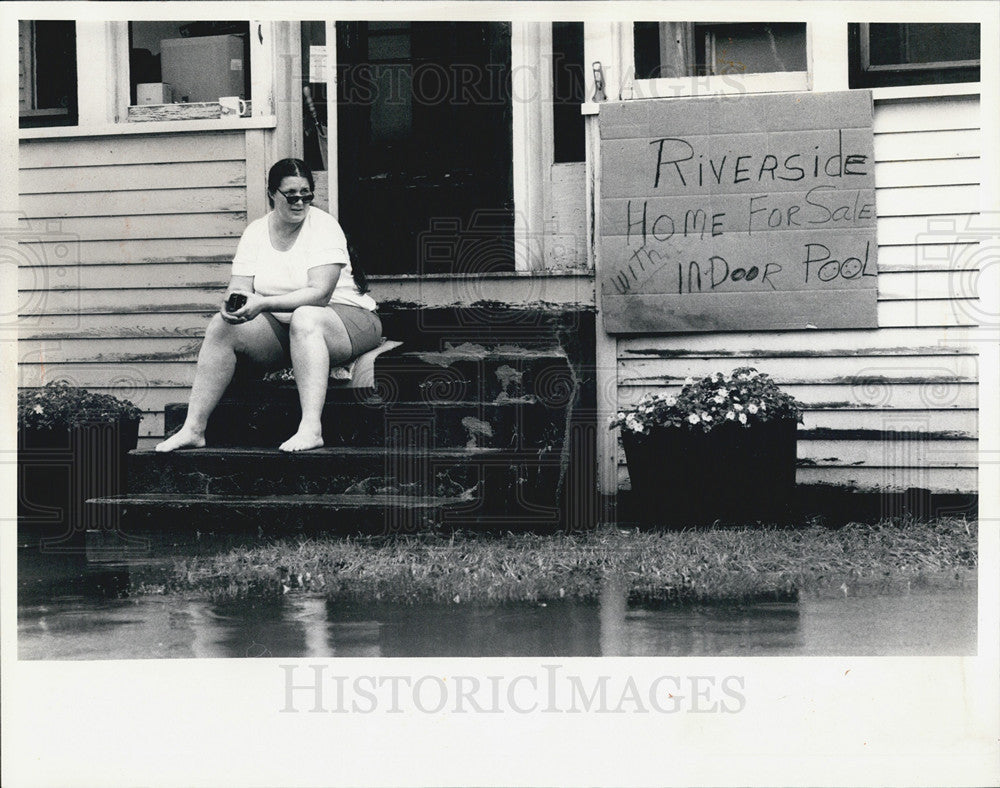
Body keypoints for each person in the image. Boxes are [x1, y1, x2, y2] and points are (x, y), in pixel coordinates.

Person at [155, 158, 381, 453]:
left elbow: (320, 294)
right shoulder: (256, 231)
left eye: (306, 194)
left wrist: (263, 303)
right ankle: (194, 429)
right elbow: (239, 285)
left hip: (349, 320)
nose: (300, 201)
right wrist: (234, 304)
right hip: (288, 328)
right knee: (221, 326)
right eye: (291, 194)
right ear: (272, 193)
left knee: (306, 318)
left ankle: (311, 428)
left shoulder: (324, 226)